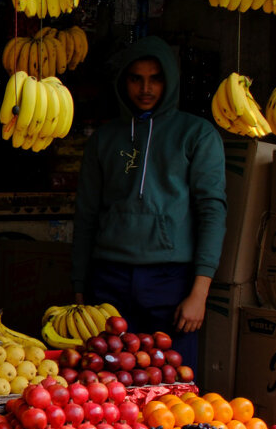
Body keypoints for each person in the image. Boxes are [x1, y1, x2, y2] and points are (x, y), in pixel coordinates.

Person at [71, 36, 227, 369]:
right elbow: (86, 214)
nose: (145, 88)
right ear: (122, 81)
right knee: (107, 387)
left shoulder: (197, 134)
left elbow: (212, 213)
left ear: (169, 80)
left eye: (155, 78)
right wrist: (79, 285)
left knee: (173, 386)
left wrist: (199, 293)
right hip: (108, 277)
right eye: (135, 78)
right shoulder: (104, 139)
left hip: (171, 280)